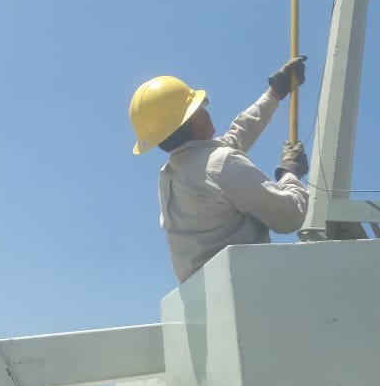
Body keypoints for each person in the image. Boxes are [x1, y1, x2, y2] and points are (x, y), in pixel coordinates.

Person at [129, 56, 309, 283]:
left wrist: (274, 94)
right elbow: (289, 215)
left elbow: (233, 140)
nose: (206, 109)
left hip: (214, 296)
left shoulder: (170, 176)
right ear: (191, 118)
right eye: (200, 106)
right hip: (251, 289)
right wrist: (290, 173)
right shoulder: (221, 164)